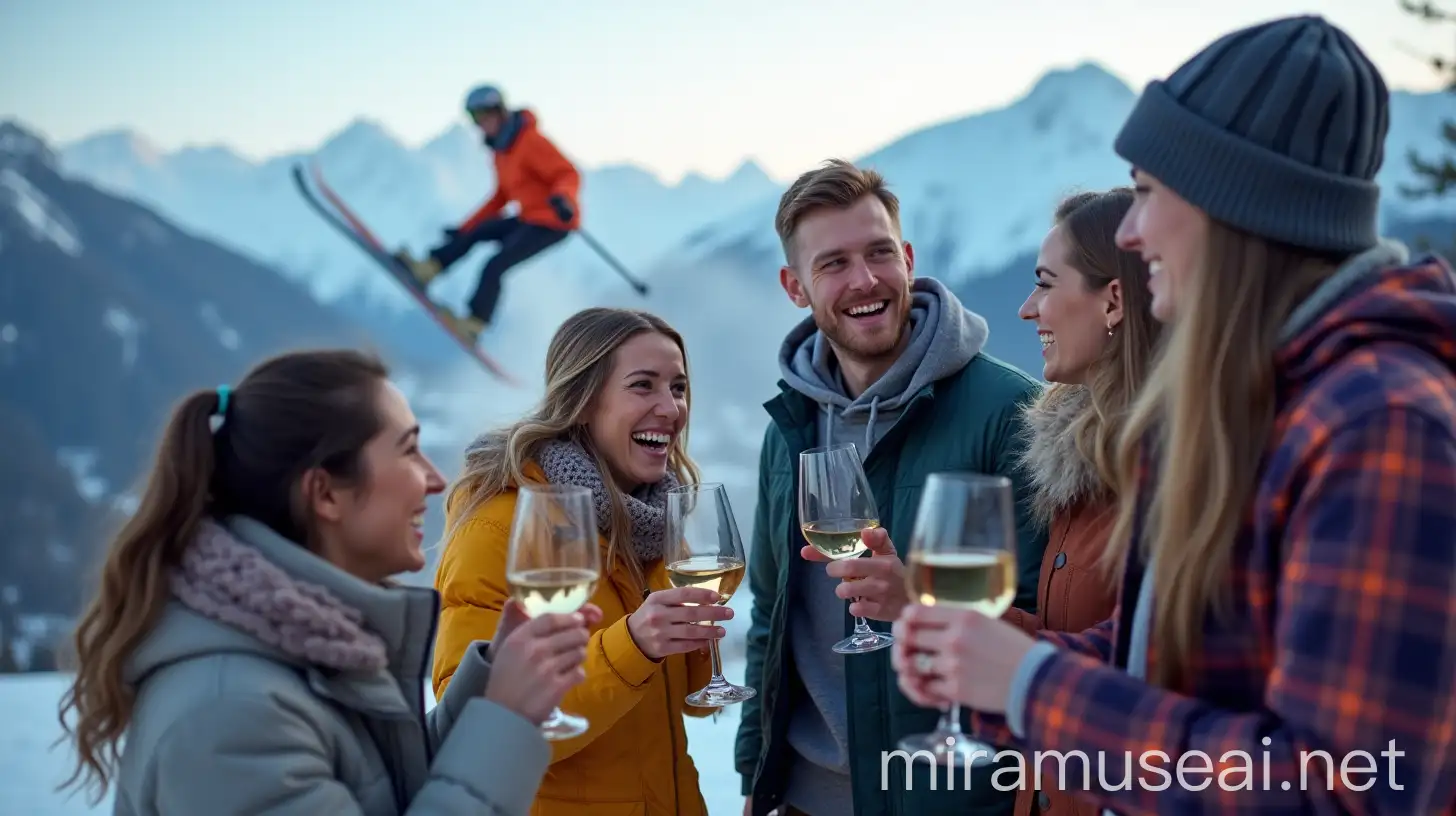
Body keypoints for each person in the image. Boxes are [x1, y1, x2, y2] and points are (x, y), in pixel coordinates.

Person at [892, 14, 1456, 814]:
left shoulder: (1379, 423)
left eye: (1149, 192)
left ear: (1235, 208)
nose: (1129, 228)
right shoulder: (1244, 409)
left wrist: (1032, 688)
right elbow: (1156, 661)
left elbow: (1344, 790)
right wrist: (994, 667)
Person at [56, 349, 598, 815]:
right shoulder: (231, 717)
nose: (435, 479)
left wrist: (489, 687)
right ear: (326, 494)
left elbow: (386, 793)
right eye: (409, 449)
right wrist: (503, 722)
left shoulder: (303, 648)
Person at [736, 158, 1048, 816]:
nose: (865, 280)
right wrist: (753, 775)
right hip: (801, 801)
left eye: (880, 254)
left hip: (951, 801)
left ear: (907, 258)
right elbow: (770, 614)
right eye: (834, 264)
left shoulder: (1010, 413)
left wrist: (918, 606)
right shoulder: (787, 428)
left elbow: (1052, 627)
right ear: (795, 287)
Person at [431, 307, 730, 815]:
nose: (671, 408)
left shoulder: (652, 514)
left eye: (678, 388)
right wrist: (634, 644)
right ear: (584, 401)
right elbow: (477, 734)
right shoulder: (501, 523)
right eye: (643, 386)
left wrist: (692, 647)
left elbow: (678, 704)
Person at [998, 187, 1162, 816]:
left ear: (1113, 300)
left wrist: (970, 626)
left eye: (1044, 284)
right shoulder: (1080, 458)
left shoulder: (1164, 468)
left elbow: (1134, 672)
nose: (1026, 309)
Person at [396, 83, 581, 343]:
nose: (479, 124)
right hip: (530, 217)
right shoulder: (502, 151)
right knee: (478, 232)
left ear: (499, 111)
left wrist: (564, 199)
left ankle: (474, 324)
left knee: (496, 264)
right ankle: (429, 268)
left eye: (482, 116)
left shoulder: (530, 141)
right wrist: (464, 228)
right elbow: (500, 198)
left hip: (554, 223)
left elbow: (567, 173)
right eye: (474, 118)